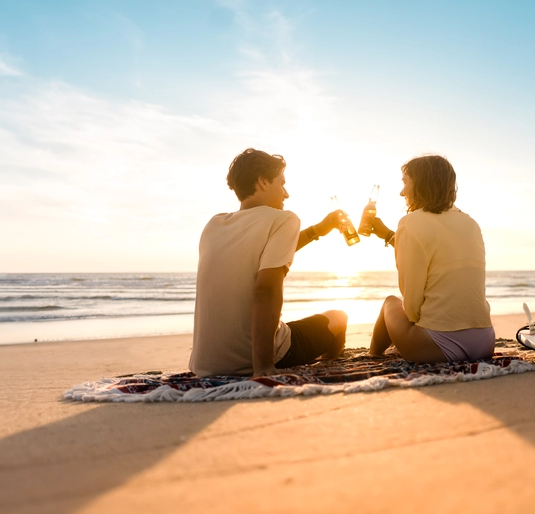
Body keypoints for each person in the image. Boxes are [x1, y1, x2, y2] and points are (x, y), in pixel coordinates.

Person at [189, 148, 349, 378]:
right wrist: (263, 366)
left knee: (292, 326)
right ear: (263, 182)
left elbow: (263, 253)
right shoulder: (284, 218)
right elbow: (265, 290)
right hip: (257, 358)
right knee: (339, 317)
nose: (286, 194)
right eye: (282, 184)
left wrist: (318, 230)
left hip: (205, 365)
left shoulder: (214, 225)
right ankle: (329, 363)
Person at [364, 155, 495, 363]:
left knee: (390, 303)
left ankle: (372, 357)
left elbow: (412, 309)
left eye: (405, 183)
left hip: (438, 348)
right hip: (484, 342)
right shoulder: (471, 223)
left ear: (421, 185)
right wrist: (389, 236)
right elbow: (438, 249)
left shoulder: (409, 223)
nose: (401, 192)